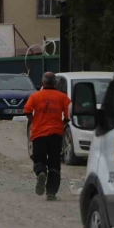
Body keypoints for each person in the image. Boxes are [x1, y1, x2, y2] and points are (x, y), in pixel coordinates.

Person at [23, 72, 70, 201]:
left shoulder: (35, 96)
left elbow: (27, 111)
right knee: (55, 163)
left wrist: (35, 120)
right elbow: (67, 117)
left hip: (39, 134)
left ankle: (41, 171)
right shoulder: (63, 97)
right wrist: (61, 123)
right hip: (56, 134)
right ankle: (51, 193)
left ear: (43, 83)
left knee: (38, 158)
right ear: (55, 83)